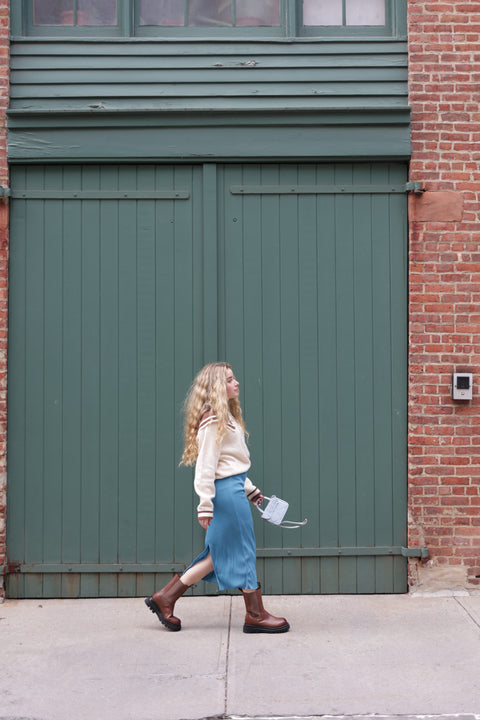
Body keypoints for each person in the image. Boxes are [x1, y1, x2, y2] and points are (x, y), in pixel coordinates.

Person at [145, 362, 289, 634]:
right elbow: (206, 468)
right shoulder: (212, 421)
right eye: (230, 380)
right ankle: (255, 615)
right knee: (243, 550)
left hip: (232, 491)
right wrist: (204, 506)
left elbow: (230, 466)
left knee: (217, 555)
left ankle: (165, 597)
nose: (236, 383)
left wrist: (252, 492)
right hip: (224, 497)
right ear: (216, 388)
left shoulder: (225, 419)